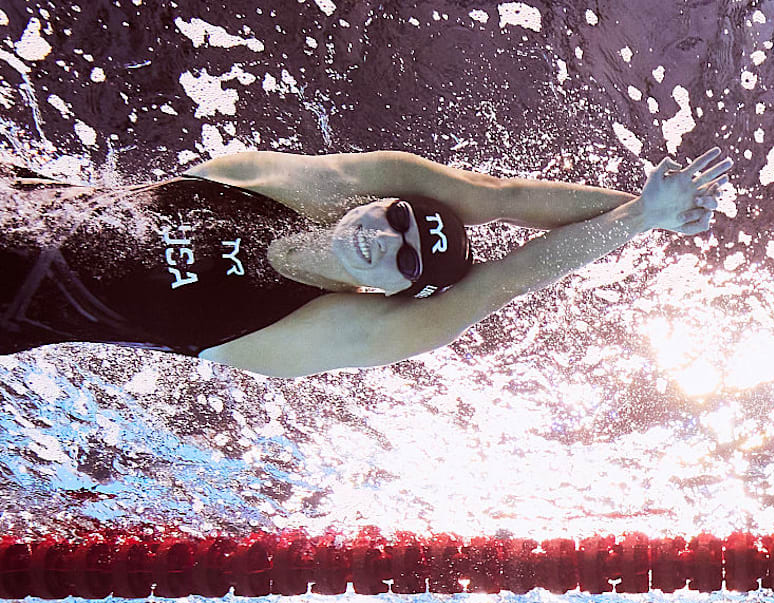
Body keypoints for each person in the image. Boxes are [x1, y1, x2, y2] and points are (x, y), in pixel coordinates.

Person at [0, 149, 732, 377]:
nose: (387, 238)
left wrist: (641, 222)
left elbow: (502, 281)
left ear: (389, 293)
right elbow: (499, 197)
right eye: (399, 218)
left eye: (405, 261)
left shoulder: (313, 327)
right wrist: (647, 203)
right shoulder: (300, 188)